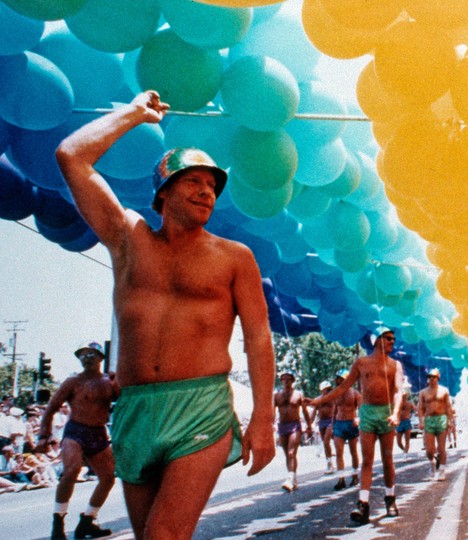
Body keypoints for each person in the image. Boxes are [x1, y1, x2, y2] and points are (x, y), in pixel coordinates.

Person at [56, 91, 275, 538]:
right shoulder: (127, 238)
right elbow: (72, 157)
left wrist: (264, 420)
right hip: (135, 411)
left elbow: (258, 338)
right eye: (194, 181)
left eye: (212, 186)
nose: (206, 191)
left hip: (201, 407)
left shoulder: (235, 257)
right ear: (163, 192)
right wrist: (134, 114)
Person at [313, 328, 404, 524]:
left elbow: (397, 391)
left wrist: (396, 413)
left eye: (393, 339)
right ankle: (363, 504)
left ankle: (390, 499)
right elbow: (343, 388)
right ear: (377, 340)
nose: (392, 342)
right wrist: (317, 401)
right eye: (388, 338)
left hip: (387, 414)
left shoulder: (395, 365)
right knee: (367, 461)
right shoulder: (361, 363)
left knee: (388, 460)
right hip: (368, 414)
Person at [35, 342, 118, 540]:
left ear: (100, 357)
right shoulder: (73, 382)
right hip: (75, 431)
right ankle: (58, 522)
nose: (87, 357)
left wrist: (117, 383)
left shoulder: (108, 381)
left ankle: (88, 521)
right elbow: (51, 407)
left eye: (91, 354)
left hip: (97, 433)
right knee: (71, 471)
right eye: (82, 354)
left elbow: (121, 397)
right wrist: (43, 435)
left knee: (108, 479)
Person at [323, 369, 360, 492]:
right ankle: (341, 479)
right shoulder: (336, 393)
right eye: (337, 379)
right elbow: (334, 411)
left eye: (340, 378)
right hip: (339, 424)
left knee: (353, 451)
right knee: (339, 452)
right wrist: (333, 426)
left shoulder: (354, 393)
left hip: (351, 424)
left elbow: (361, 408)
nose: (338, 381)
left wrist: (358, 419)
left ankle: (355, 475)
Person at [274, 372, 312, 492]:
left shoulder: (298, 394)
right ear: (281, 380)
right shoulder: (276, 396)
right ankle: (293, 478)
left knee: (291, 453)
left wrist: (309, 426)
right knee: (288, 455)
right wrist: (270, 426)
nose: (286, 381)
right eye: (284, 379)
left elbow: (305, 412)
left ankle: (289, 479)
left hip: (295, 425)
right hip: (282, 426)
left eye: (289, 379)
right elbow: (271, 412)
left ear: (292, 380)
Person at [418, 368, 454, 481]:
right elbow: (420, 408)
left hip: (441, 418)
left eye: (433, 377)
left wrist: (450, 421)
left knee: (441, 447)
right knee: (429, 450)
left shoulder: (444, 391)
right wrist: (421, 421)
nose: (431, 379)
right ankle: (432, 463)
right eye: (429, 377)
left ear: (438, 378)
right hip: (429, 419)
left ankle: (442, 471)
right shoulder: (423, 392)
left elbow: (448, 407)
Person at [312, 381, 336, 474]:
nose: (329, 391)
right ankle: (329, 463)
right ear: (322, 390)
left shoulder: (333, 398)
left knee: (326, 441)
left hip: (331, 421)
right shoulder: (318, 399)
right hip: (322, 422)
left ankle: (333, 463)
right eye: (327, 389)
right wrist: (309, 423)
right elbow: (314, 411)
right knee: (326, 444)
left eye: (330, 389)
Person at [394, 389, 416, 462]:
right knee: (398, 442)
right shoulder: (397, 403)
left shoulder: (409, 403)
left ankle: (405, 455)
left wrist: (416, 412)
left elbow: (416, 409)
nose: (404, 396)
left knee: (407, 440)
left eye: (405, 394)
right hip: (399, 423)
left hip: (406, 422)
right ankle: (404, 451)